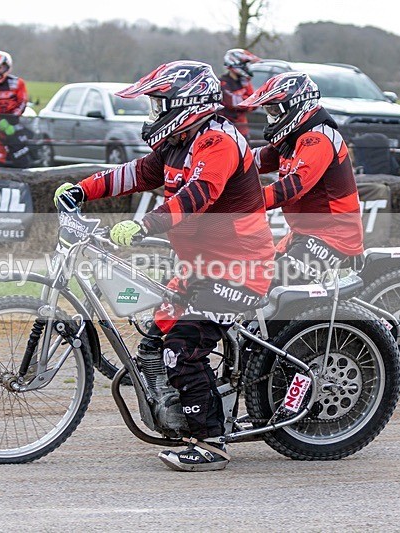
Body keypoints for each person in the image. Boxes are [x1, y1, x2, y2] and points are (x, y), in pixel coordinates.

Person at [53, 61, 276, 472]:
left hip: (239, 269)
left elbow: (197, 196)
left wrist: (144, 224)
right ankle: (178, 415)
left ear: (186, 104)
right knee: (152, 344)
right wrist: (81, 190)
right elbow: (134, 174)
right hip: (197, 266)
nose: (153, 114)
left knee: (182, 349)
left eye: (159, 105)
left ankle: (210, 441)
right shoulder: (179, 143)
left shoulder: (219, 142)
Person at [237, 72, 364, 284]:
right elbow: (255, 160)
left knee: (273, 285)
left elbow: (293, 187)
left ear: (296, 105)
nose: (271, 118)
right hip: (305, 234)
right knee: (250, 276)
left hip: (333, 238)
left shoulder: (318, 138)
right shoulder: (293, 137)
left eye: (275, 110)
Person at [0, 51, 31, 167]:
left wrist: (11, 119)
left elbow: (22, 102)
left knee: (22, 160)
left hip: (14, 126)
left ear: (7, 68)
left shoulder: (17, 83)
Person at [218, 48, 261, 141]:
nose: (247, 67)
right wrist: (249, 100)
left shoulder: (243, 82)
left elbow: (255, 102)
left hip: (242, 129)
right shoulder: (223, 83)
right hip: (225, 129)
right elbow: (236, 103)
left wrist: (250, 99)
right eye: (245, 64)